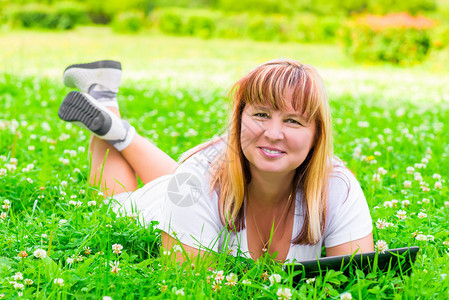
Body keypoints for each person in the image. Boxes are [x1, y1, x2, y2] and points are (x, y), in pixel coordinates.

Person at [58, 59, 374, 263]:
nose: (274, 133)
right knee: (116, 204)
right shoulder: (196, 180)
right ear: (238, 120)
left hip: (202, 184)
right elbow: (191, 284)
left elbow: (355, 282)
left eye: (293, 121)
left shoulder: (338, 186)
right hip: (170, 201)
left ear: (317, 133)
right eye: (261, 114)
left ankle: (113, 122)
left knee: (197, 180)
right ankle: (105, 109)